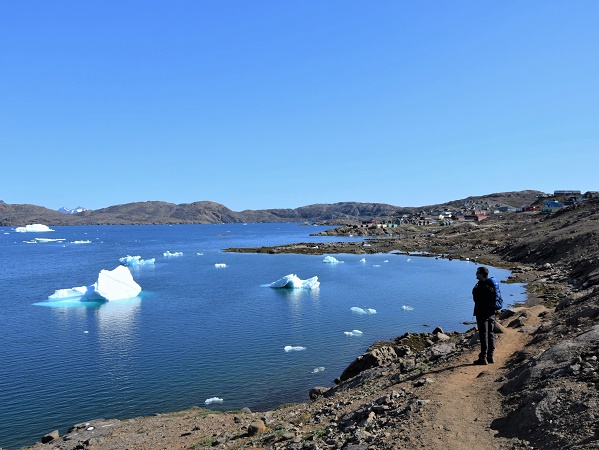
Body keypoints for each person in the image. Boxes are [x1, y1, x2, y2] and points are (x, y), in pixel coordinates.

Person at [472, 266, 498, 365]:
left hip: (482, 313)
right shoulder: (491, 285)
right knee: (491, 334)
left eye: (477, 273)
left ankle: (483, 357)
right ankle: (490, 357)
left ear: (482, 274)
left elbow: (476, 299)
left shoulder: (480, 286)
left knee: (483, 335)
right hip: (491, 312)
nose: (476, 274)